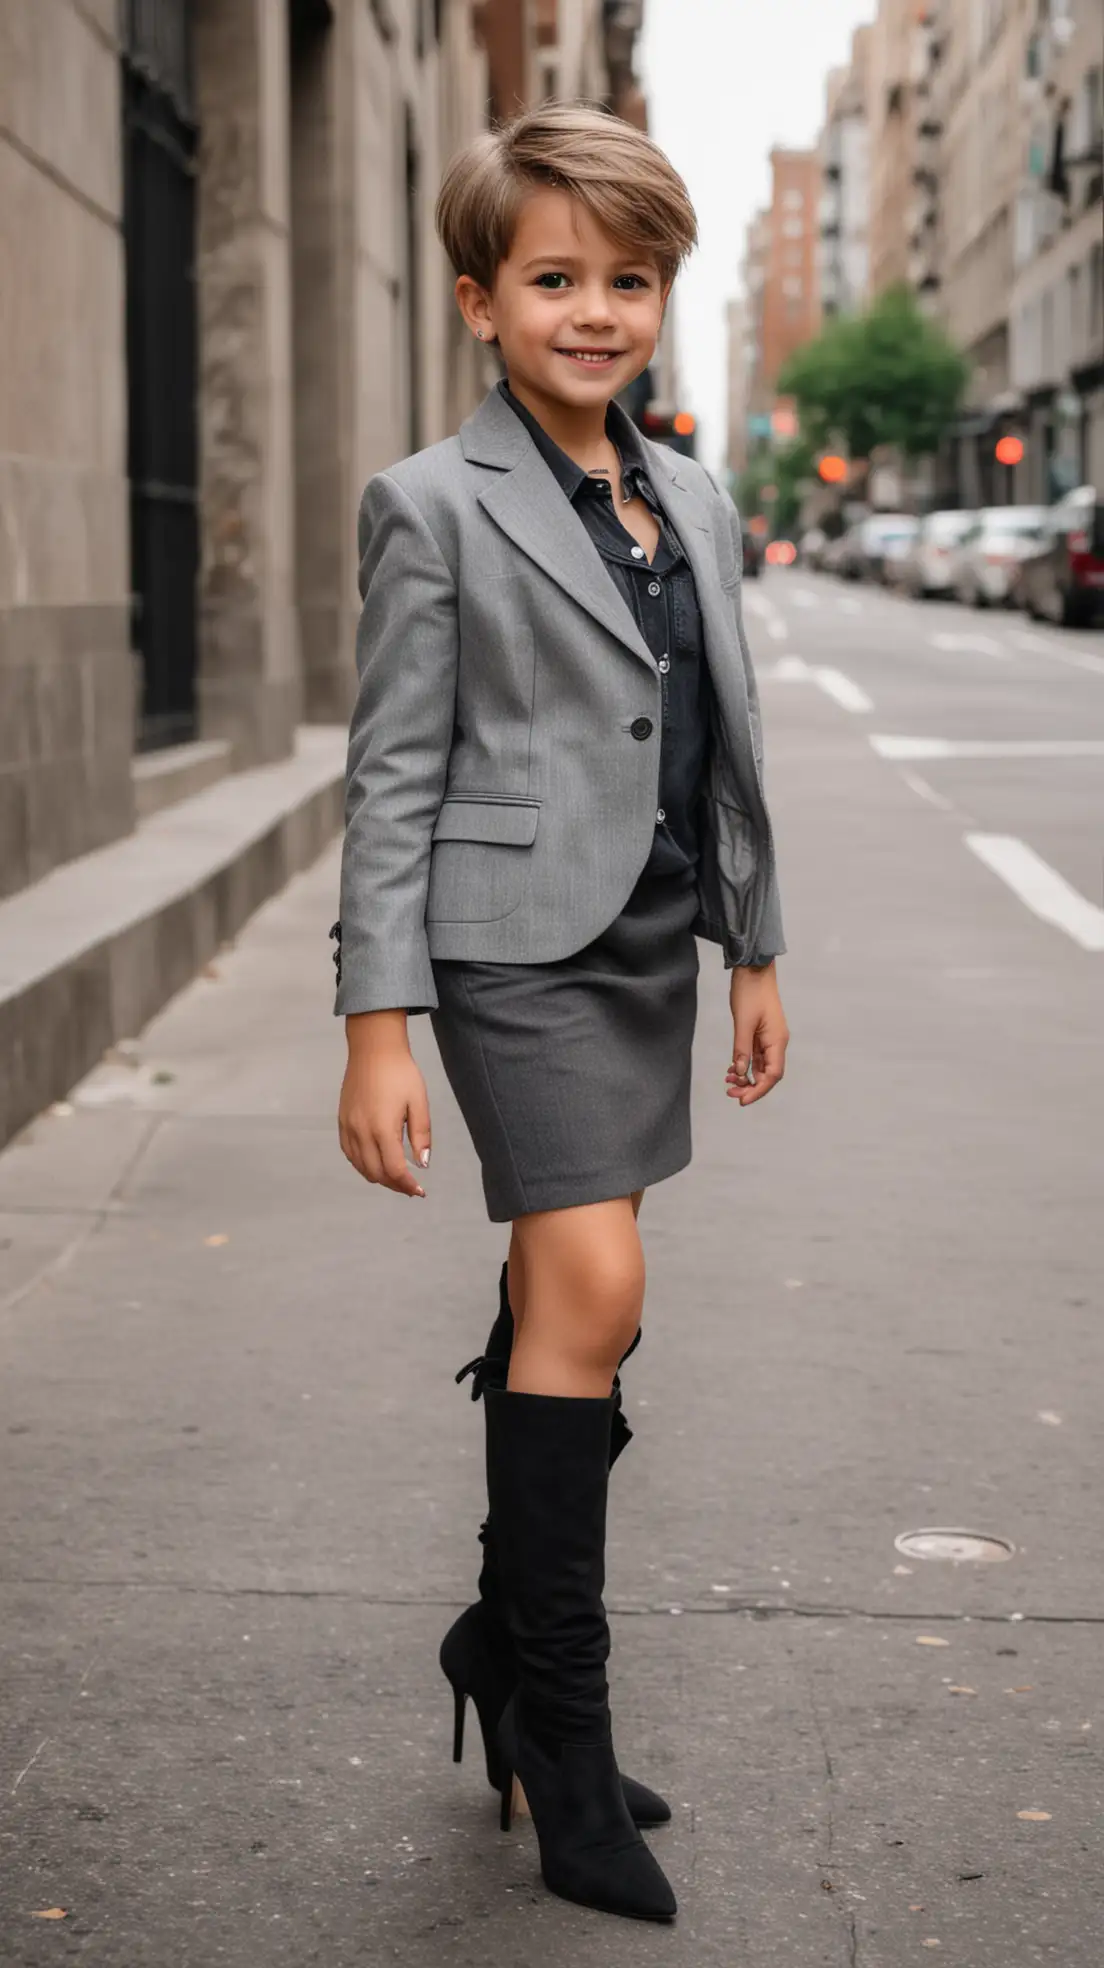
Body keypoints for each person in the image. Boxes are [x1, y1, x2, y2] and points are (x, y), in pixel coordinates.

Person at [333, 102, 789, 1924]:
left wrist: (755, 948)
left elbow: (727, 744)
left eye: (628, 279)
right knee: (596, 1291)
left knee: (555, 1294)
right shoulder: (432, 506)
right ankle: (565, 1730)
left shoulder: (694, 496)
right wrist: (378, 1022)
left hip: (654, 942)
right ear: (477, 300)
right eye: (553, 279)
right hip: (508, 948)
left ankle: (503, 1653)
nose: (594, 311)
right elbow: (393, 774)